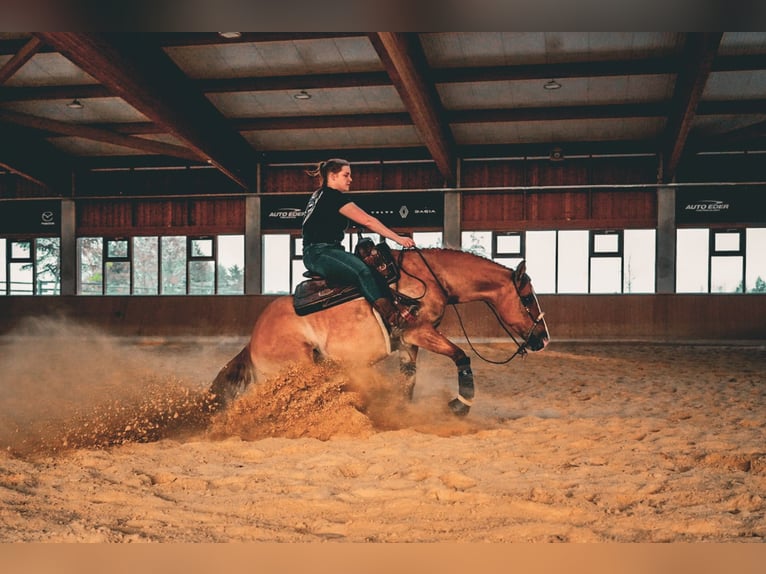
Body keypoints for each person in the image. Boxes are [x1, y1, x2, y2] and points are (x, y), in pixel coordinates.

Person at [301, 158, 418, 337]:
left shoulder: (319, 195)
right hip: (320, 252)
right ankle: (393, 319)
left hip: (327, 251)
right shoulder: (332, 196)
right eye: (346, 175)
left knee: (370, 267)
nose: (350, 179)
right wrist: (398, 238)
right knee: (363, 271)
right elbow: (368, 220)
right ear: (332, 176)